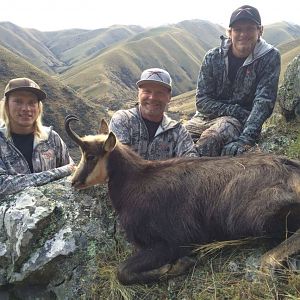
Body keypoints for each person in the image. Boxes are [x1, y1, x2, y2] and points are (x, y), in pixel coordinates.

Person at [186, 5, 281, 156]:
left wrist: (245, 140)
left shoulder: (269, 57)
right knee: (178, 139)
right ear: (230, 33)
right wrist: (236, 110)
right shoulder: (212, 57)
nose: (244, 34)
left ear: (260, 31)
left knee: (211, 140)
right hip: (203, 119)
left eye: (250, 28)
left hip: (236, 123)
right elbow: (202, 100)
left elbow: (264, 101)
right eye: (238, 29)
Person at [0, 77, 74, 196]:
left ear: (39, 107)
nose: (26, 108)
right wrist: (58, 173)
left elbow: (72, 174)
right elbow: (3, 186)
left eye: (32, 102)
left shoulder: (52, 138)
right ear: (7, 105)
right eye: (18, 101)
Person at [109, 68, 198, 159]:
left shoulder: (178, 131)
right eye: (147, 91)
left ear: (169, 97)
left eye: (159, 93)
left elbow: (192, 163)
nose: (152, 97)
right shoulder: (123, 120)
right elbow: (119, 160)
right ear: (138, 94)